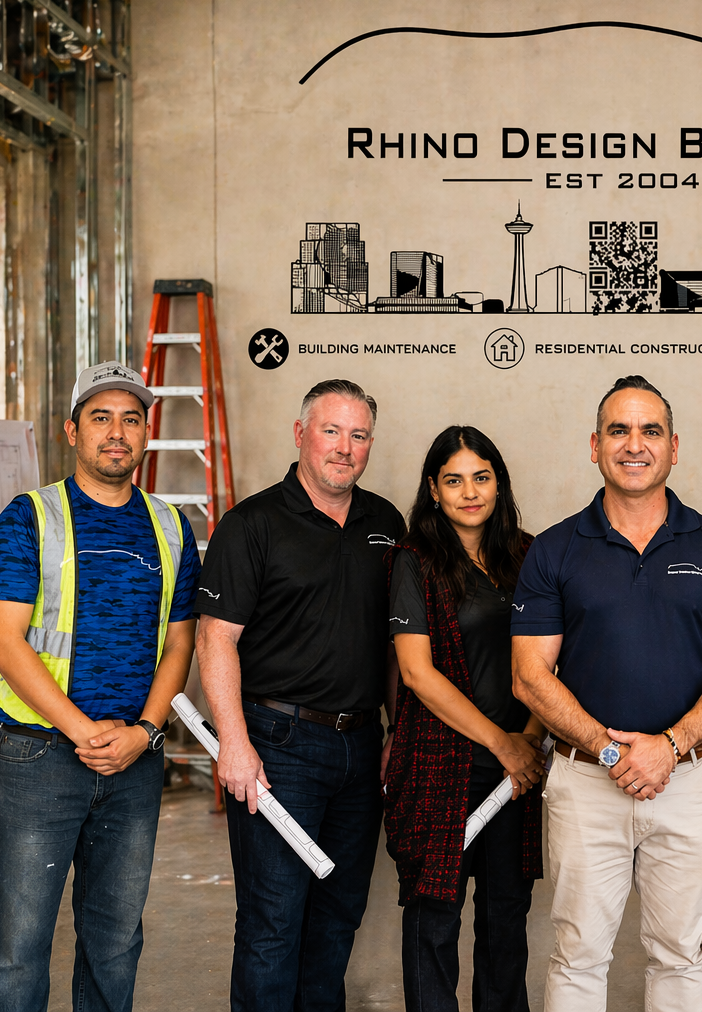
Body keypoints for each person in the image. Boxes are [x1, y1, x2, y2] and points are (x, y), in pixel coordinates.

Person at [511, 375, 702, 1012]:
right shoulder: (554, 550)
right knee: (576, 957)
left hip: (684, 784)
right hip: (584, 785)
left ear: (674, 447)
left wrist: (670, 748)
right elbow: (529, 676)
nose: (634, 444)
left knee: (680, 955)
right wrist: (611, 752)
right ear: (594, 445)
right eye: (618, 430)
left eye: (650, 430)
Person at [0, 361, 200, 1012]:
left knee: (115, 943)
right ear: (71, 430)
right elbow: (4, 641)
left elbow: (180, 642)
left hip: (135, 765)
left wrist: (145, 733)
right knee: (17, 948)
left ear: (146, 436)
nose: (117, 432)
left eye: (131, 419)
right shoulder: (28, 519)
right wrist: (87, 733)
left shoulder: (171, 527)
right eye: (101, 417)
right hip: (43, 759)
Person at [194, 379, 406, 1012]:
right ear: (301, 434)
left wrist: (396, 736)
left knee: (338, 919)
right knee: (272, 923)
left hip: (362, 747)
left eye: (359, 434)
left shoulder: (385, 523)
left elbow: (397, 648)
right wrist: (234, 744)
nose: (345, 448)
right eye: (332, 431)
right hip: (277, 747)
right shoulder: (252, 525)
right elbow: (215, 639)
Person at [384, 425, 546, 1012]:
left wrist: (529, 743)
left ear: (499, 485)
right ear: (433, 488)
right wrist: (503, 745)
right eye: (453, 480)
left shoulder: (530, 555)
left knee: (507, 922)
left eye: (481, 478)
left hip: (517, 772)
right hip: (439, 766)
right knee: (434, 922)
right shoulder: (414, 561)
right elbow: (418, 675)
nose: (469, 492)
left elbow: (552, 661)